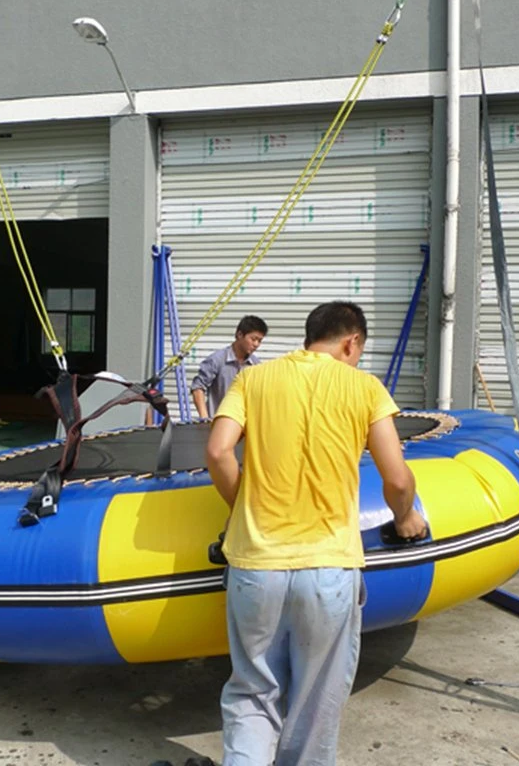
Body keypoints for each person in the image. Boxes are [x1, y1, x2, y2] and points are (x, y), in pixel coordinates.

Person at [205, 301, 427, 766]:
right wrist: (406, 519)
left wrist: (242, 506)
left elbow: (219, 451)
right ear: (352, 343)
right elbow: (399, 479)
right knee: (315, 708)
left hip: (255, 566)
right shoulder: (364, 387)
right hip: (329, 568)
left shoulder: (253, 379)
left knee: (252, 694)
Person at [191, 315, 268, 419]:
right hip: (216, 425)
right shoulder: (216, 360)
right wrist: (205, 419)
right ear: (240, 334)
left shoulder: (256, 366)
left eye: (260, 341)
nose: (256, 344)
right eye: (253, 339)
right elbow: (198, 387)